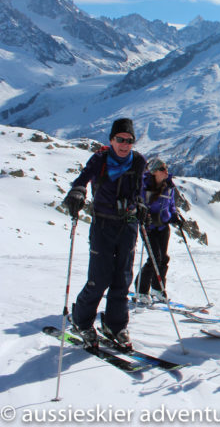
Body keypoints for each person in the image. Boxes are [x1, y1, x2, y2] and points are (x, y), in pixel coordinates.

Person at [63, 118, 147, 349]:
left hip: (128, 224)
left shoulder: (138, 161)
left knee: (122, 278)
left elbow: (139, 189)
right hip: (103, 224)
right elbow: (82, 179)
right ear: (111, 140)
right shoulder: (100, 159)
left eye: (129, 140)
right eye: (120, 139)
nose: (124, 144)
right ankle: (81, 320)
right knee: (99, 277)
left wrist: (141, 204)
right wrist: (78, 192)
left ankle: (115, 325)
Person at [135, 158, 183, 303]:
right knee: (154, 258)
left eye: (166, 168)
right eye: (162, 169)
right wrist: (144, 215)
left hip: (163, 225)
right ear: (154, 172)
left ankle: (158, 288)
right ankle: (141, 289)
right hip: (148, 226)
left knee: (163, 258)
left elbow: (171, 204)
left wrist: (174, 215)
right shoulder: (145, 185)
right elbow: (140, 203)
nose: (166, 171)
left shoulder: (168, 185)